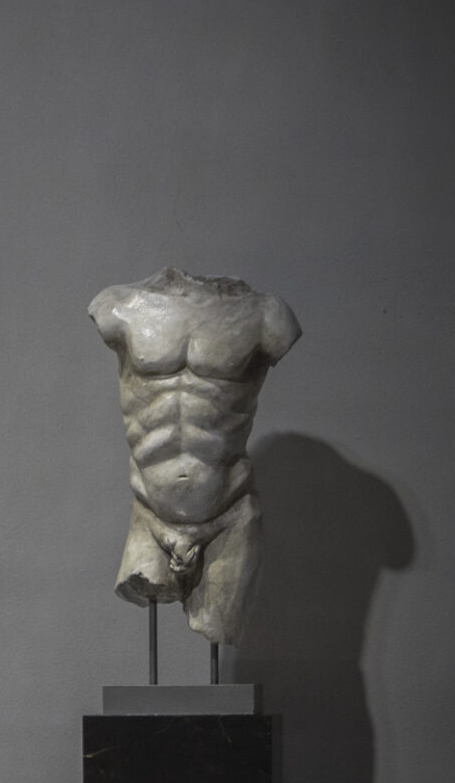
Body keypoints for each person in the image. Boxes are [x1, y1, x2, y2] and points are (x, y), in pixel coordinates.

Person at [89, 268, 300, 650]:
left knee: (218, 633)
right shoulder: (119, 307)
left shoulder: (265, 315)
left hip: (229, 517)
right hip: (149, 514)